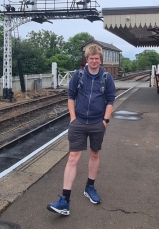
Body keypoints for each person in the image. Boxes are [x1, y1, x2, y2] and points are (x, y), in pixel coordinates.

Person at [47, 44, 116, 216]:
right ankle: (64, 200)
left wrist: (105, 121)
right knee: (73, 157)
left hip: (97, 123)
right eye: (91, 58)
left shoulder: (107, 78)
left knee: (95, 154)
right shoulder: (78, 76)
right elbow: (71, 96)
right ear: (87, 59)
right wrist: (72, 118)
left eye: (97, 59)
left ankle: (90, 187)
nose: (94, 61)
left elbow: (110, 100)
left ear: (100, 60)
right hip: (78, 122)